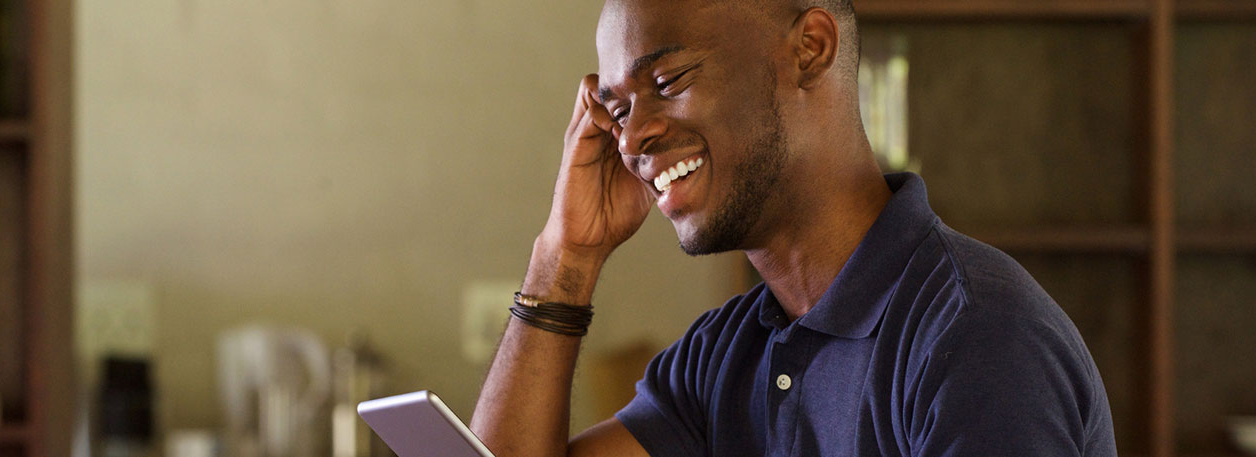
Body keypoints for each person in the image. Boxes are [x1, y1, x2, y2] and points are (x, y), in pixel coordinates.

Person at [468, 0, 1118, 455]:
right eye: (617, 110)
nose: (633, 136)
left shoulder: (975, 336)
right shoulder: (720, 359)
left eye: (666, 80)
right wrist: (567, 255)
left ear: (810, 48)